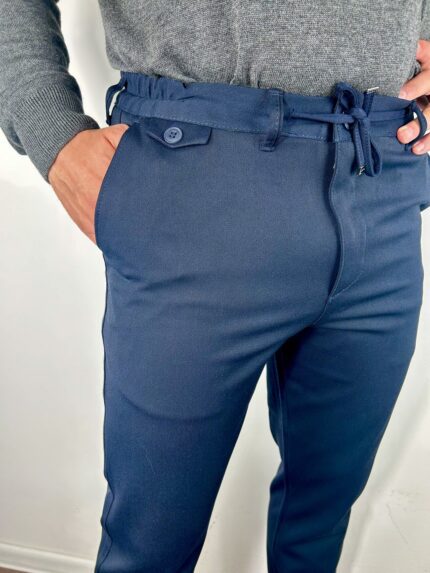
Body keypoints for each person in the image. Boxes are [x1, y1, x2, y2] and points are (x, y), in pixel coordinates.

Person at [1, 2, 429, 572]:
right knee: (150, 544)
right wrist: (55, 138)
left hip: (380, 167)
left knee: (321, 521)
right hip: (195, 175)